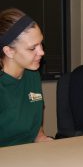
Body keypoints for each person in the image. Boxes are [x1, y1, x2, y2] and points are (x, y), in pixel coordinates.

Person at [0, 8, 52, 147]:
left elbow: (35, 127)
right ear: (9, 51)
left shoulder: (32, 74)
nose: (41, 52)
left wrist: (41, 138)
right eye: (32, 48)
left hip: (28, 156)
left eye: (41, 43)